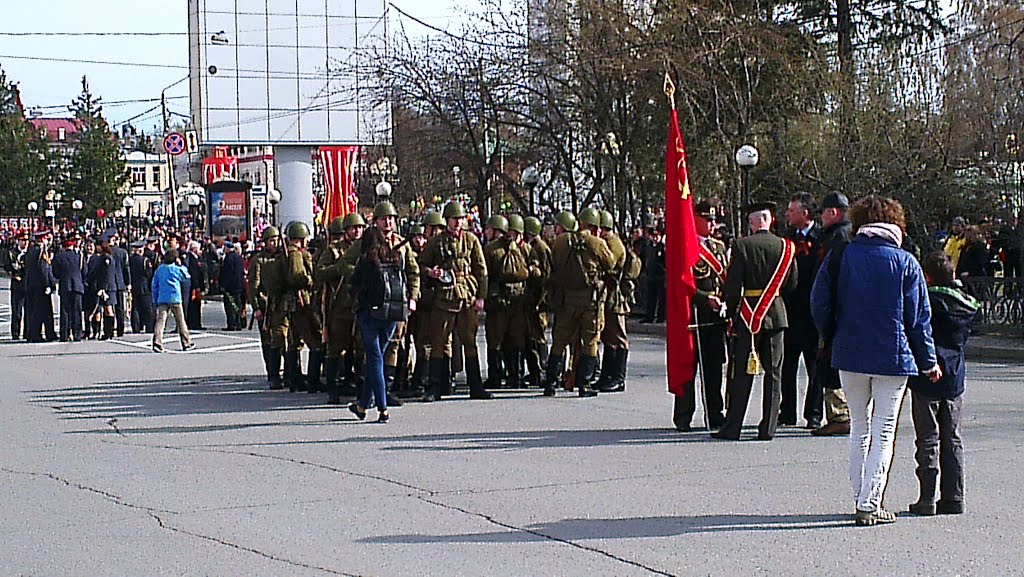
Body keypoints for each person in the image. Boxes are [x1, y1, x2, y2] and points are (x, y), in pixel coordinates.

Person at [810, 195, 940, 527]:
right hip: (893, 358)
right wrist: (927, 361)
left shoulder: (841, 255)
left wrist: (831, 333)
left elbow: (819, 301)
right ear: (896, 224)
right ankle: (871, 501)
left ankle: (860, 496)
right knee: (884, 431)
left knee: (859, 428)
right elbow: (918, 320)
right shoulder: (906, 262)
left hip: (849, 353)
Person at [711, 202, 797, 441]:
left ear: (752, 222)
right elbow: (792, 284)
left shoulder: (741, 245)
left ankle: (733, 427)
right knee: (774, 373)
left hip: (748, 315)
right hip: (776, 314)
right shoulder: (786, 247)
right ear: (770, 221)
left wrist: (731, 313)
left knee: (742, 372)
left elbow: (733, 286)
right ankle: (768, 427)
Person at [907, 252, 979, 516]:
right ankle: (953, 496)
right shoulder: (967, 304)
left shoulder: (926, 301)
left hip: (926, 375)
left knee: (928, 437)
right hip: (955, 375)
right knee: (953, 437)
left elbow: (915, 330)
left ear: (927, 276)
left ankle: (926, 497)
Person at [418, 201, 490, 402]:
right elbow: (421, 265)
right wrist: (431, 273)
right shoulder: (436, 242)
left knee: (470, 341)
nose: (457, 223)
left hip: (466, 295)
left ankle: (475, 386)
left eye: (459, 219)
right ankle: (434, 387)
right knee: (439, 342)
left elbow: (481, 270)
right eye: (453, 219)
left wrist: (481, 296)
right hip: (444, 297)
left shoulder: (471, 240)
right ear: (446, 220)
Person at [347, 226, 417, 423]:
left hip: (370, 314)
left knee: (375, 359)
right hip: (393, 314)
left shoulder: (367, 260)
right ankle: (362, 406)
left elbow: (354, 284)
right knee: (376, 361)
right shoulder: (395, 256)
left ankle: (382, 408)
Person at [542, 209, 615, 397]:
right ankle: (585, 384)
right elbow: (611, 263)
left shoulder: (560, 242)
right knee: (590, 342)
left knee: (559, 341)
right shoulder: (596, 243)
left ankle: (550, 383)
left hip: (567, 301)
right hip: (590, 303)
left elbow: (554, 264)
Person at [673, 200, 729, 431]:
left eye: (714, 220)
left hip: (716, 317)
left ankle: (715, 413)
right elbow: (682, 284)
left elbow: (725, 278)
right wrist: (705, 298)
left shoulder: (718, 247)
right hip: (694, 315)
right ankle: (684, 414)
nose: (713, 224)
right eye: (708, 219)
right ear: (694, 219)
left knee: (714, 367)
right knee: (688, 367)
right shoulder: (685, 247)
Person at [810, 192, 853, 437]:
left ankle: (839, 414)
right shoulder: (847, 235)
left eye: (823, 213)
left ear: (834, 212)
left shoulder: (837, 239)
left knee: (829, 362)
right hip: (844, 312)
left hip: (834, 312)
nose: (821, 219)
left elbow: (827, 279)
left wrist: (824, 315)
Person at [781, 192, 823, 428]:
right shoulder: (786, 239)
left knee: (814, 368)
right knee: (787, 365)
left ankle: (814, 414)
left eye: (792, 210)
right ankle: (787, 412)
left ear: (805, 213)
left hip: (813, 313)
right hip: (790, 311)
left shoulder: (822, 238)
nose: (788, 214)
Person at [316, 213, 366, 402]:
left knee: (361, 348)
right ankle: (333, 389)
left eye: (360, 228)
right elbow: (319, 273)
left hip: (361, 304)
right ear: (345, 231)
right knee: (336, 348)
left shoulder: (366, 248)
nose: (357, 231)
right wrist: (339, 268)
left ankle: (361, 389)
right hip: (340, 306)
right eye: (354, 228)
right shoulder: (334, 250)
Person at [595, 209, 641, 393]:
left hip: (617, 298)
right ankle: (606, 376)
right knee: (608, 337)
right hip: (609, 298)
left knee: (619, 338)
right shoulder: (608, 242)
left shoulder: (613, 243)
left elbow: (610, 265)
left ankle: (618, 377)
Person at [482, 214, 530, 389]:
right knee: (515, 340)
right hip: (518, 300)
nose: (486, 232)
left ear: (496, 230)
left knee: (494, 340)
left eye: (489, 229)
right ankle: (515, 376)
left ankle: (495, 377)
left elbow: (484, 275)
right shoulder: (520, 248)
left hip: (498, 301)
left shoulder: (490, 250)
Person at [248, 226, 284, 389]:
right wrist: (256, 307)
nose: (275, 243)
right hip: (266, 305)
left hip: (281, 304)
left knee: (285, 339)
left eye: (277, 240)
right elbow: (253, 286)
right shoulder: (258, 260)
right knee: (268, 341)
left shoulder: (282, 257)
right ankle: (272, 373)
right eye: (271, 241)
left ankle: (289, 373)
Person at [522, 215, 552, 388]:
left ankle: (542, 370)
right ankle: (535, 371)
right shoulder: (534, 246)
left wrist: (540, 301)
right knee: (532, 336)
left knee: (539, 336)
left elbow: (546, 277)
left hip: (540, 301)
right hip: (533, 299)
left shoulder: (541, 248)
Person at [151, 249, 195, 353]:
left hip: (162, 297)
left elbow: (154, 285)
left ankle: (157, 342)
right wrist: (181, 265)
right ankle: (186, 342)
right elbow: (186, 277)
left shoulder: (160, 269)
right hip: (175, 297)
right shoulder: (176, 269)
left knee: (160, 321)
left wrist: (155, 298)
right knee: (181, 321)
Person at [24, 230, 58, 343]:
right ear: (42, 239)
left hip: (31, 285)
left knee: (34, 311)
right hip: (41, 286)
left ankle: (36, 333)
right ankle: (38, 335)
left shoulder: (30, 251)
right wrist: (49, 284)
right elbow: (44, 270)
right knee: (42, 311)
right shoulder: (41, 252)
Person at [51, 236, 85, 342]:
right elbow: (84, 271)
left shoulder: (59, 257)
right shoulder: (79, 256)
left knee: (65, 311)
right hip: (78, 286)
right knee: (77, 311)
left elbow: (55, 273)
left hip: (65, 286)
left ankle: (64, 334)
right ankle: (77, 334)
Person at [3, 231, 29, 339]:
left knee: (28, 311)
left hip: (28, 285)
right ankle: (15, 333)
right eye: (23, 240)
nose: (25, 243)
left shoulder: (30, 253)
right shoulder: (12, 253)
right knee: (16, 311)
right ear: (18, 241)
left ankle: (27, 333)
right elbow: (7, 266)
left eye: (26, 240)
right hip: (17, 284)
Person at [128, 240, 155, 333]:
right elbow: (149, 274)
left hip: (135, 286)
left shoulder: (130, 260)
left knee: (135, 308)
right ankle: (149, 327)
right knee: (147, 308)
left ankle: (136, 327)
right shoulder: (145, 260)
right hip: (144, 287)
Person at [219, 241, 246, 330]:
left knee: (230, 306)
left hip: (231, 286)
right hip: (240, 285)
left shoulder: (228, 258)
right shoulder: (239, 257)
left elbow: (228, 273)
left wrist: (223, 285)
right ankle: (238, 323)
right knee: (238, 305)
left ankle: (232, 324)